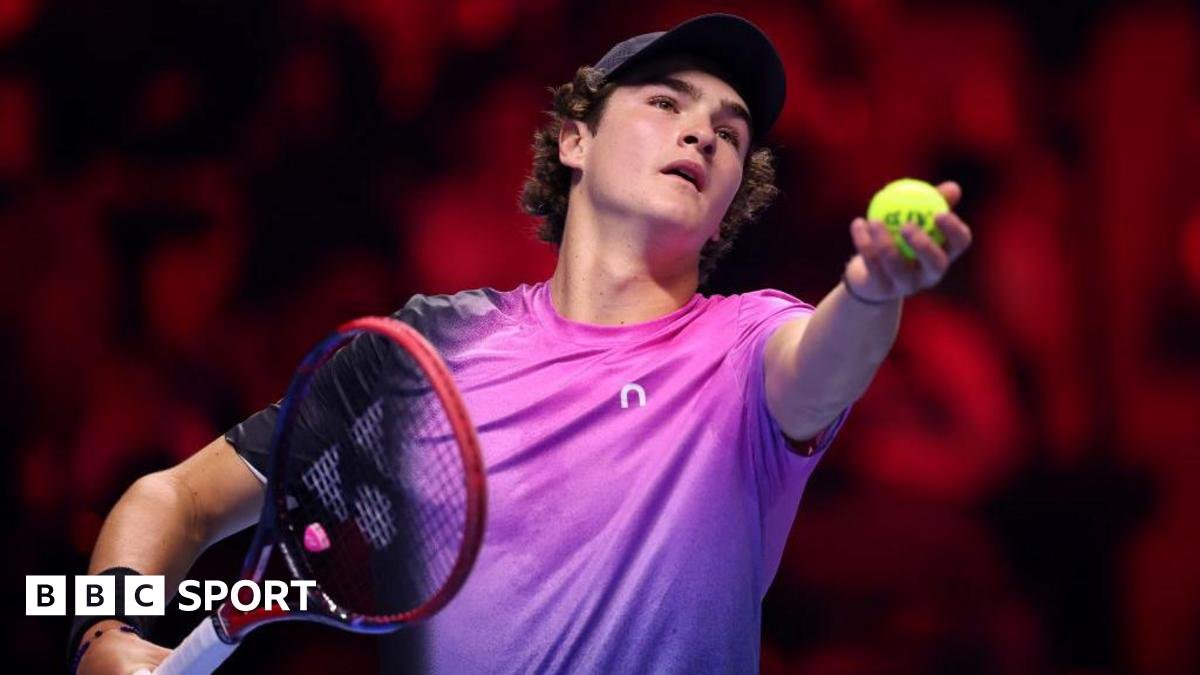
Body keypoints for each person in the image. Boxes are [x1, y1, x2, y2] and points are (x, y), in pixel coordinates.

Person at [71, 13, 972, 675]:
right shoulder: (424, 351)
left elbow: (824, 361)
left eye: (730, 132)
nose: (703, 130)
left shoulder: (745, 348)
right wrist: (106, 632)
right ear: (574, 139)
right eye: (666, 102)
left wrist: (872, 289)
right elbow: (175, 497)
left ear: (732, 195)